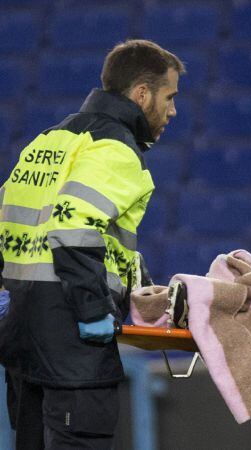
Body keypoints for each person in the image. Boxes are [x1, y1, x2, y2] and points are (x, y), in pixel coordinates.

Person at [0, 39, 184, 449]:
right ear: (141, 94)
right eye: (169, 97)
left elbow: (10, 219)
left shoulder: (47, 141)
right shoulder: (115, 149)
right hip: (72, 348)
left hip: (22, 342)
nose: (173, 110)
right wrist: (93, 312)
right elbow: (73, 228)